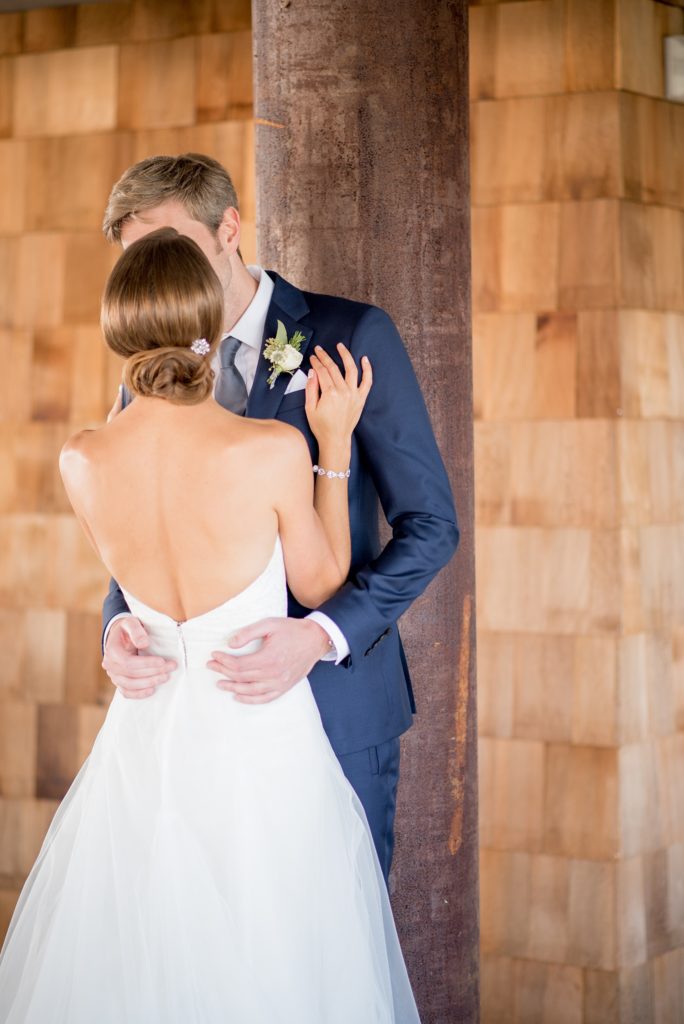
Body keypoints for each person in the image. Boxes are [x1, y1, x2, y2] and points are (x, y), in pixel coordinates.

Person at [0, 228, 420, 1023]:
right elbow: (323, 581)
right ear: (207, 326)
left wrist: (120, 630)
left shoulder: (81, 459)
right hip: (260, 739)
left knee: (141, 962)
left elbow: (127, 586)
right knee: (277, 964)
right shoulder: (269, 449)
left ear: (118, 328)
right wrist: (332, 448)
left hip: (145, 738)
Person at [100, 154, 459, 880]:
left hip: (333, 707)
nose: (160, 270)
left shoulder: (349, 333)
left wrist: (321, 637)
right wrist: (117, 623)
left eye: (170, 246)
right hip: (194, 716)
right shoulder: (145, 369)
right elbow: (141, 524)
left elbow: (431, 526)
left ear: (229, 228)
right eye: (142, 258)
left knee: (327, 964)